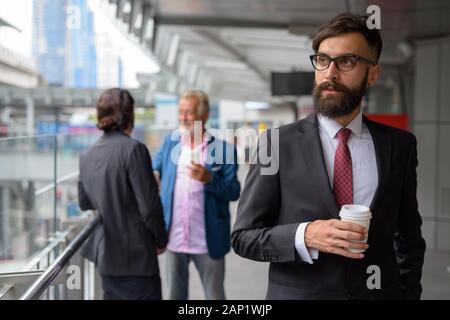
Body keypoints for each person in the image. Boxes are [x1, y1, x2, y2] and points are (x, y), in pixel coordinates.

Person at [231, 13, 426, 300]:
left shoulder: (400, 146)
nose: (330, 73)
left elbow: (408, 238)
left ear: (372, 74)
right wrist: (305, 236)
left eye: (346, 62)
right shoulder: (276, 143)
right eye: (322, 60)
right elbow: (243, 237)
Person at [78, 88, 168, 300]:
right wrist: (161, 239)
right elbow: (149, 208)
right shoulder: (134, 150)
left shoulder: (87, 155)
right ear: (129, 115)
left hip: (107, 259)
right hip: (137, 260)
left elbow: (84, 202)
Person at [153, 90, 240, 300]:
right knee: (175, 295)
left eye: (188, 112)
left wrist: (209, 179)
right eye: (180, 112)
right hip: (174, 238)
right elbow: (155, 168)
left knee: (215, 296)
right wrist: (153, 175)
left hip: (207, 239)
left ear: (205, 115)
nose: (182, 118)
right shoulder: (170, 143)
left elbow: (234, 191)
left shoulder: (224, 149)